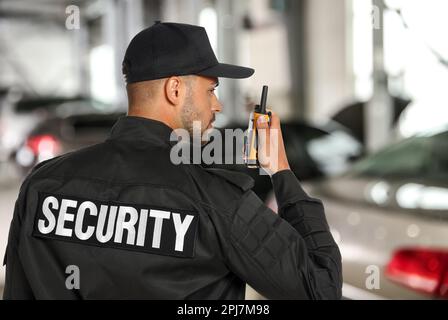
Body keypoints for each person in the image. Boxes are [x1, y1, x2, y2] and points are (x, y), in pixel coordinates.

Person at [3, 22, 342, 300]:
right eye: (211, 90)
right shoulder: (216, 198)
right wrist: (281, 169)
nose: (218, 105)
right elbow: (320, 288)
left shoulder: (42, 184)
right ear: (175, 89)